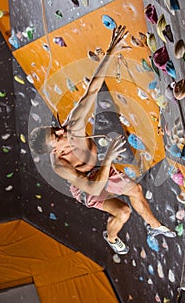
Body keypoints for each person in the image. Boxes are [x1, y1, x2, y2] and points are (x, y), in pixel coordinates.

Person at [29, 26, 176, 255]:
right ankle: (111, 236)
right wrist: (108, 159)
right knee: (123, 212)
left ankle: (155, 227)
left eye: (55, 129)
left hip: (100, 168)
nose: (61, 132)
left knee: (135, 190)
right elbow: (94, 186)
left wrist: (110, 51)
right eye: (56, 137)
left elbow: (93, 89)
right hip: (89, 184)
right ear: (55, 151)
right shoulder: (61, 166)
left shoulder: (73, 126)